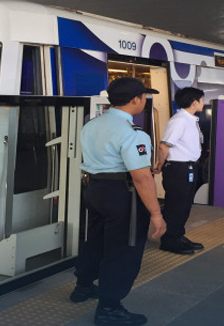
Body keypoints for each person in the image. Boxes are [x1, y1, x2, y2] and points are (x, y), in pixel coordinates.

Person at [70, 77, 166, 326]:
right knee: (123, 250)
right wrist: (156, 214)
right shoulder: (134, 134)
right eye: (144, 97)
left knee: (96, 240)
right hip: (122, 195)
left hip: (95, 189)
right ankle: (109, 307)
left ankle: (83, 286)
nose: (144, 101)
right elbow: (142, 178)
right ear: (135, 100)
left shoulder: (92, 125)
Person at [152, 87, 205, 255]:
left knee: (185, 205)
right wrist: (161, 164)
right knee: (176, 206)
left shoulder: (190, 119)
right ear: (194, 102)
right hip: (178, 168)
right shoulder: (180, 120)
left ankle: (178, 235)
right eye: (202, 100)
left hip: (189, 167)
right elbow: (164, 145)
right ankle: (169, 240)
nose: (204, 103)